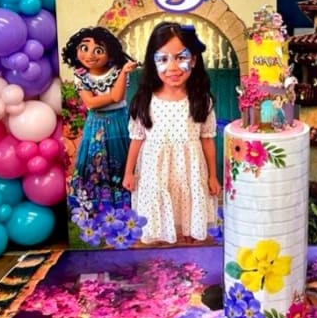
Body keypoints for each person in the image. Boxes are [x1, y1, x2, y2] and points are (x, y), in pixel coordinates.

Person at [123, 23, 221, 244]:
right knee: (157, 221)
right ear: (153, 62)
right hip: (154, 170)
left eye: (181, 57)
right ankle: (160, 251)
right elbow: (137, 138)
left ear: (193, 60)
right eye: (163, 59)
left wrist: (212, 176)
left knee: (188, 220)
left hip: (190, 170)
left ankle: (188, 247)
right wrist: (129, 172)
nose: (173, 67)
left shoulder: (201, 100)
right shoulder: (145, 100)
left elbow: (207, 139)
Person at [62, 27, 138, 215]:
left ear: (109, 52)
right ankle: (94, 206)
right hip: (95, 124)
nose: (90, 55)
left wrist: (122, 76)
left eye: (98, 50)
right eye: (84, 48)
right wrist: (111, 96)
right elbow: (91, 102)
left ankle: (124, 205)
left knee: (122, 159)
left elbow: (119, 97)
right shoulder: (81, 74)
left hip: (119, 123)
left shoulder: (119, 71)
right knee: (95, 161)